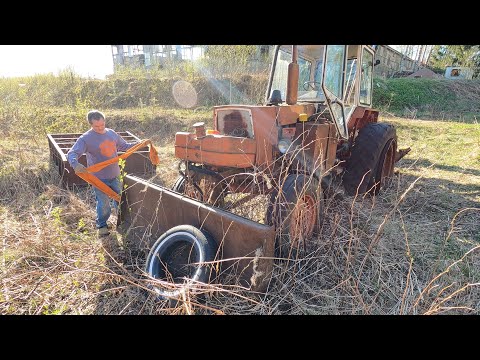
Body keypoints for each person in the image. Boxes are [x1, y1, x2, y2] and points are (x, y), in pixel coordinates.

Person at [67, 110, 139, 237]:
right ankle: (102, 226)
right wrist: (75, 164)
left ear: (104, 121)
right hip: (99, 178)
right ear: (90, 124)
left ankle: (123, 223)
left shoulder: (111, 133)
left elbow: (124, 146)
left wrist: (139, 144)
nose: (100, 128)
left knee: (121, 200)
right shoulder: (86, 139)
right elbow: (72, 153)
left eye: (102, 125)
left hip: (114, 174)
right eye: (96, 126)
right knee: (103, 203)